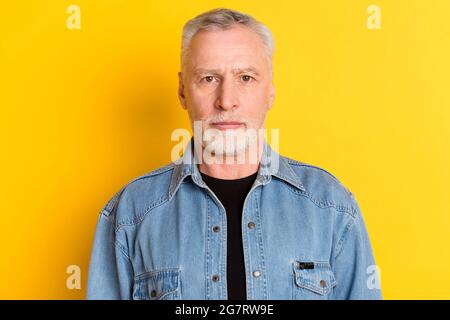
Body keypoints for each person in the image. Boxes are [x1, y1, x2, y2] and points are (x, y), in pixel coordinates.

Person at [86, 8, 382, 300]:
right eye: (209, 78)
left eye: (246, 78)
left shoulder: (331, 208)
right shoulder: (130, 214)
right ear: (182, 91)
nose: (226, 101)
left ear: (270, 91)